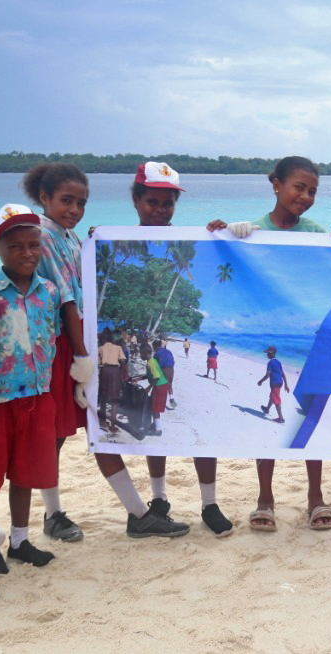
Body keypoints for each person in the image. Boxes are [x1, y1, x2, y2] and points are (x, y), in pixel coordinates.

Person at [92, 161, 228, 537]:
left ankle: (209, 503)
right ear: (136, 200)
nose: (161, 210)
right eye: (153, 202)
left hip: (163, 367)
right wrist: (95, 245)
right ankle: (159, 498)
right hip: (154, 366)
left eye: (168, 204)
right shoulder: (116, 244)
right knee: (158, 429)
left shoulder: (192, 241)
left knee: (201, 432)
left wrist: (227, 233)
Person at [207, 156, 331, 532]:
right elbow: (225, 261)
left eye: (313, 190)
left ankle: (316, 496)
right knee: (266, 427)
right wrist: (217, 233)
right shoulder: (252, 231)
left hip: (311, 341)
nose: (306, 196)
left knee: (309, 415)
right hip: (271, 336)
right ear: (276, 184)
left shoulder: (316, 232)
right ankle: (265, 497)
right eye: (299, 187)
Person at [0, 204, 62, 578]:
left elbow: (52, 336)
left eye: (33, 245)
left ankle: (21, 540)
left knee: (26, 473)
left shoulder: (50, 291)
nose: (26, 253)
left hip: (37, 395)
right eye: (16, 247)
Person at [21, 163, 94, 544]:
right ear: (44, 197)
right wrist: (80, 356)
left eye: (81, 202)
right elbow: (67, 297)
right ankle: (52, 513)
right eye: (67, 200)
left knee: (59, 432)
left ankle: (52, 510)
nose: (75, 209)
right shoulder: (44, 236)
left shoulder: (68, 235)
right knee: (51, 432)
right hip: (59, 341)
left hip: (73, 337)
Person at [98, 332, 127, 432]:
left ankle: (103, 422)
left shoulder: (100, 348)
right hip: (115, 371)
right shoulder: (118, 347)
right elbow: (123, 361)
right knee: (114, 400)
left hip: (105, 371)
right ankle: (113, 426)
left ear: (103, 339)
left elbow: (98, 363)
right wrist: (123, 375)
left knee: (103, 398)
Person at [257, 345, 289, 423]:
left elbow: (267, 375)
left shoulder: (270, 363)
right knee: (272, 396)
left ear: (271, 353)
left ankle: (281, 418)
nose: (267, 354)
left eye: (267, 353)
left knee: (276, 400)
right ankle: (267, 409)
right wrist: (286, 384)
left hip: (275, 383)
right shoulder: (278, 362)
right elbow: (283, 373)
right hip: (280, 382)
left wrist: (260, 381)